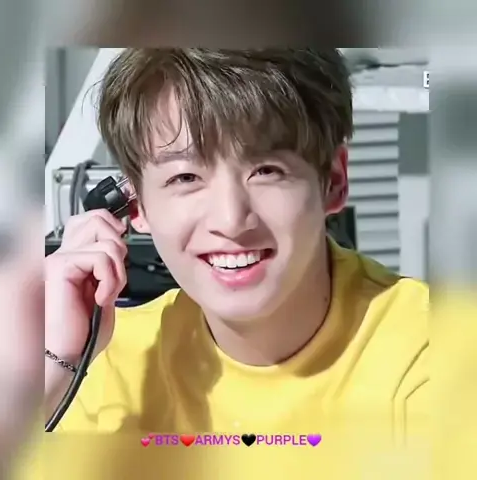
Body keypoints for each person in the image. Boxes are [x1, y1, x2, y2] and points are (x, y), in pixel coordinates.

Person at [44, 48, 429, 478]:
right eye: (185, 177)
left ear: (334, 182)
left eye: (266, 170)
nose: (230, 220)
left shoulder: (433, 351)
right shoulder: (106, 363)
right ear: (137, 207)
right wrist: (55, 364)